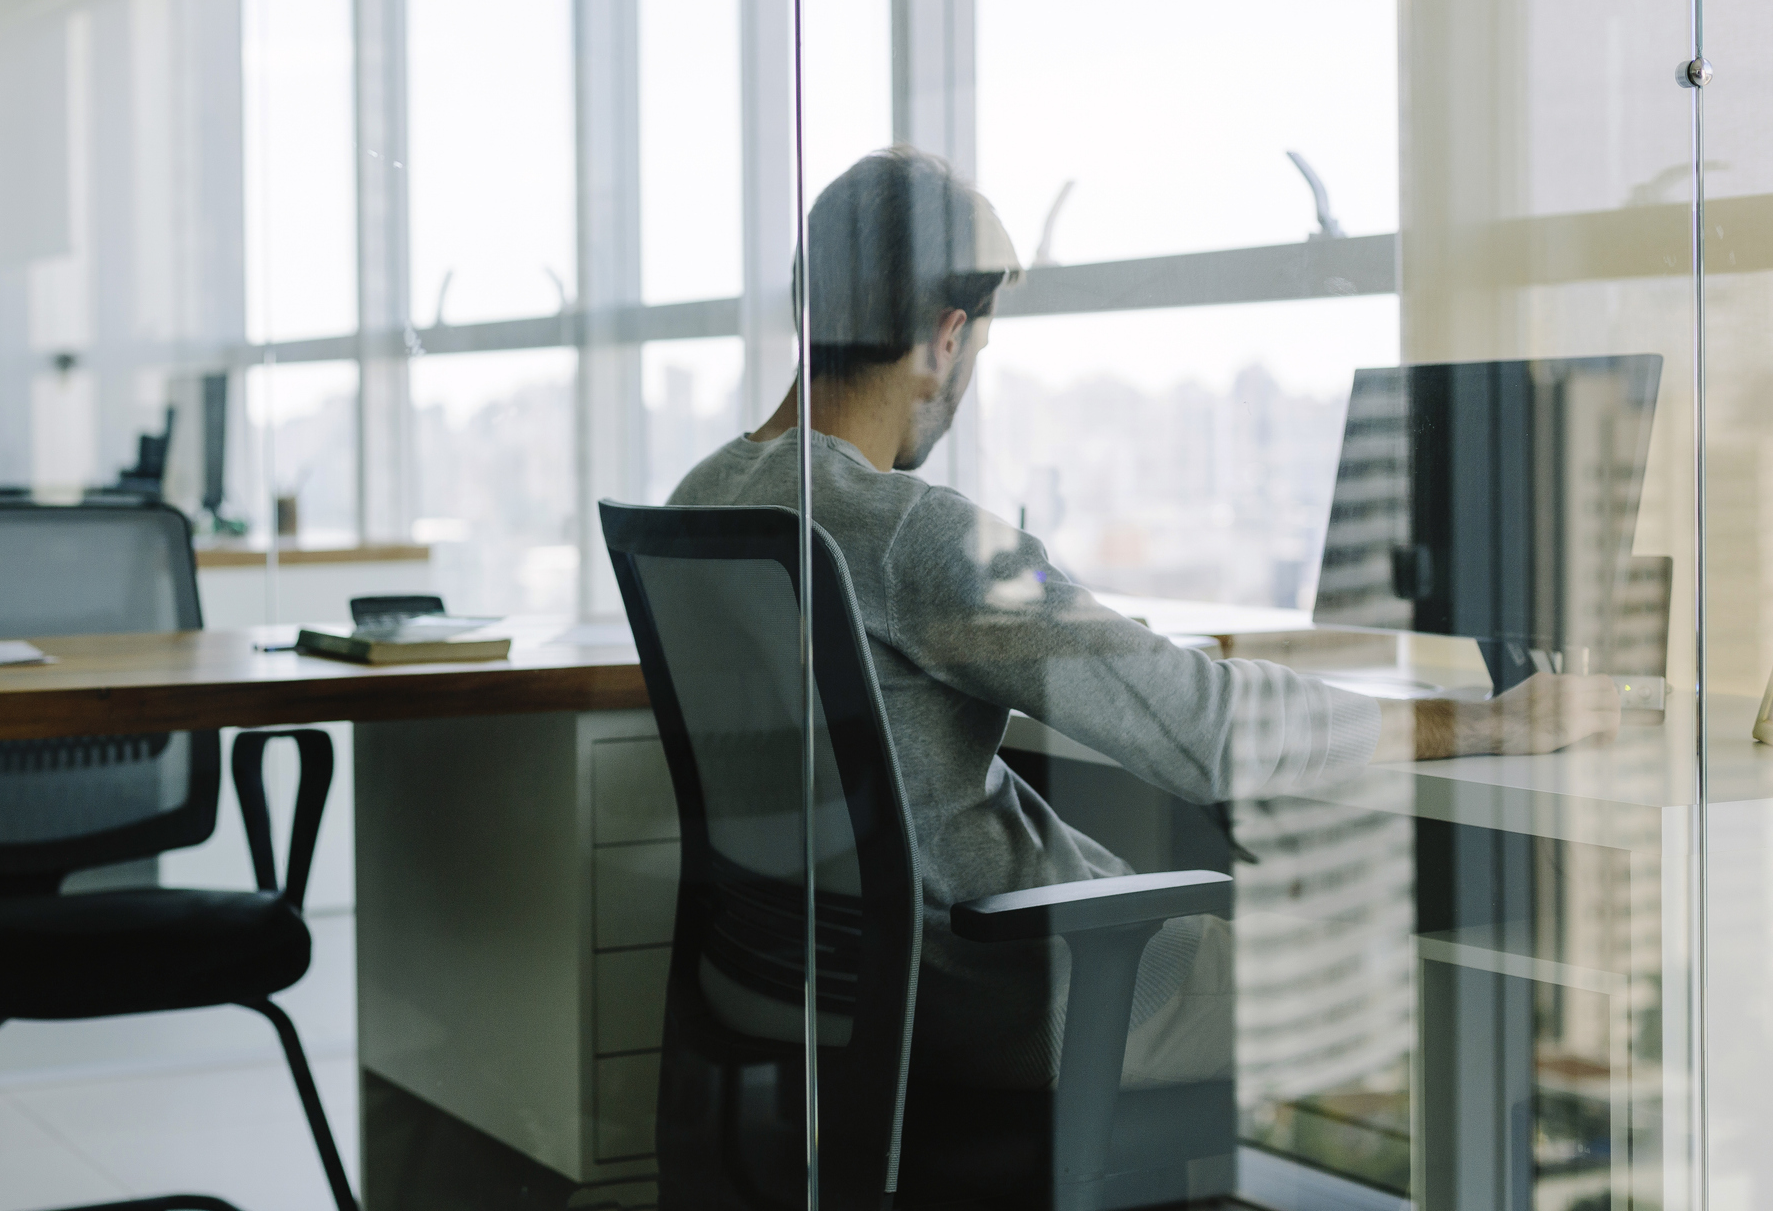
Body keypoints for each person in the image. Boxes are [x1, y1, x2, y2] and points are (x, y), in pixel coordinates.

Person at [666, 147, 1619, 1092]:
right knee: (1443, 985)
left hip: (783, 970)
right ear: (946, 337)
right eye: (978, 353)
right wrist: (1496, 722)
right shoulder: (914, 533)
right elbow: (1200, 728)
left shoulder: (702, 497)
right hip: (1008, 988)